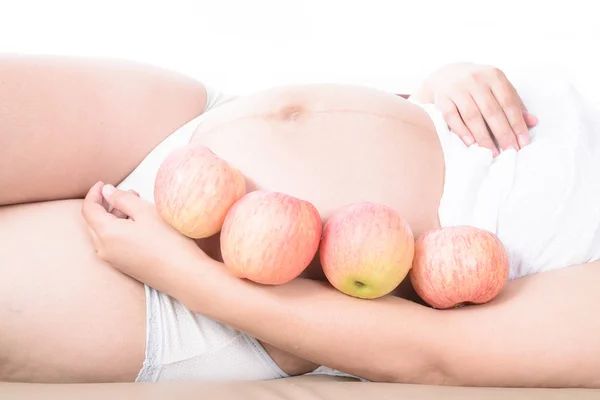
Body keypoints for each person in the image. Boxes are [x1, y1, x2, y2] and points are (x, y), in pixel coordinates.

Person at [2, 55, 599, 388]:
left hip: (214, 296)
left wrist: (187, 277)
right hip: (198, 122)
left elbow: (438, 353)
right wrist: (446, 85)